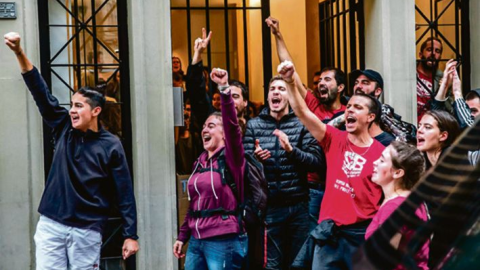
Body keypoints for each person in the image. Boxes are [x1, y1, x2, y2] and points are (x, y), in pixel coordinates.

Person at [4, 32, 139, 269]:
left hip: (87, 230)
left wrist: (130, 235)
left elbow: (124, 192)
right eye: (71, 105)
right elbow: (40, 91)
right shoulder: (64, 126)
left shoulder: (111, 145)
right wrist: (18, 52)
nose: (72, 110)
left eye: (78, 106)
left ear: (95, 111)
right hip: (51, 225)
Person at [277, 60, 385, 270]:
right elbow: (302, 112)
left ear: (371, 117)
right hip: (329, 232)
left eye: (358, 107)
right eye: (350, 106)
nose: (350, 111)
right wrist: (290, 81)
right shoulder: (334, 138)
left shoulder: (382, 153)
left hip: (361, 234)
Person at [243, 75, 323, 269]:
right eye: (272, 89)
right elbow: (244, 166)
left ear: (290, 96)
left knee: (299, 263)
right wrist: (256, 159)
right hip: (270, 207)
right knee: (272, 265)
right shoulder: (254, 125)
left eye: (282, 89)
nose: (276, 92)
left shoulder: (302, 123)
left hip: (299, 207)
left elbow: (316, 162)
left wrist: (291, 150)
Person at [173, 68, 248, 269]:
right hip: (197, 240)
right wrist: (183, 236)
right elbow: (195, 204)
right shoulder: (200, 161)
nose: (205, 129)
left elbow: (232, 124)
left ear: (225, 134)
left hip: (223, 238)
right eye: (204, 126)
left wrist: (224, 88)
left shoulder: (232, 157)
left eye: (212, 126)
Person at [365, 141, 429, 270]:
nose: (375, 162)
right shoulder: (410, 200)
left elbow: (383, 259)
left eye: (382, 160)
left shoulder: (394, 207)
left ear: (398, 173)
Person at [351, 69, 395, 146]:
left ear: (377, 91)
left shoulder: (387, 118)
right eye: (356, 83)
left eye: (365, 83)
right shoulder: (346, 115)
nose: (358, 86)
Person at [416, 37, 448, 123]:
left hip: (431, 127)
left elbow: (449, 110)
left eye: (437, 51)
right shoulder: (410, 73)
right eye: (429, 49)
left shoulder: (442, 78)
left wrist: (445, 89)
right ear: (420, 54)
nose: (433, 53)